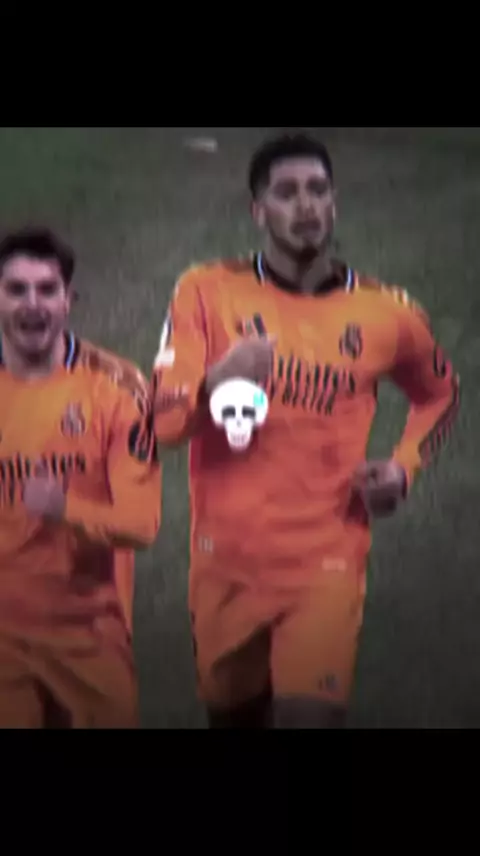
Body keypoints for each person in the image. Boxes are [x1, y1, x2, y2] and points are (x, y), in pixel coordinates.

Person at [151, 133, 460, 729]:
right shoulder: (206, 293)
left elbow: (440, 393)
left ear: (334, 202)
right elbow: (163, 425)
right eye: (287, 193)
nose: (306, 206)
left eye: (318, 190)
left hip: (327, 563)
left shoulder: (386, 312)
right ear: (258, 210)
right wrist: (216, 380)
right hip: (226, 568)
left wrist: (403, 466)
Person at [0, 226, 161, 728]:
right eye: (16, 290)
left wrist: (64, 507)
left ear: (69, 300)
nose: (32, 304)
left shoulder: (116, 389)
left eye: (47, 289)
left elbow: (142, 525)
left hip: (89, 634)